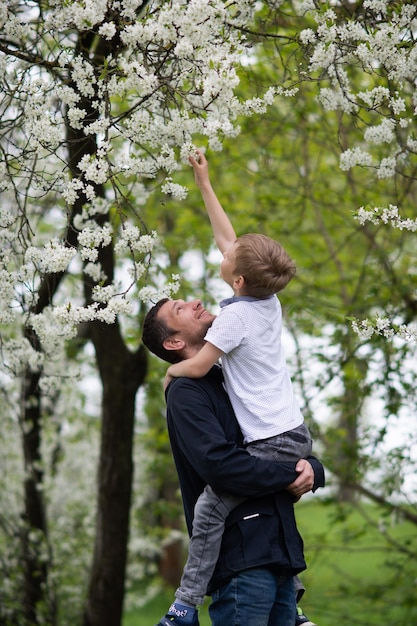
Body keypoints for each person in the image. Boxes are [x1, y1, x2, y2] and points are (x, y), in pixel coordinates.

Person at [158, 149, 314, 624]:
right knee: (256, 499)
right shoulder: (266, 304)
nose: (221, 253)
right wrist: (205, 184)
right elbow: (228, 240)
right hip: (294, 433)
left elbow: (200, 365)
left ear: (239, 278)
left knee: (209, 512)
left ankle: (185, 603)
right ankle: (296, 596)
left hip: (271, 441)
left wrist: (170, 373)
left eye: (227, 259)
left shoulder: (231, 322)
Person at [142, 297, 324, 626]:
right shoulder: (187, 392)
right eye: (180, 309)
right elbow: (221, 465)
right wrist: (288, 476)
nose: (195, 301)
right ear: (174, 342)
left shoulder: (232, 375)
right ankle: (183, 608)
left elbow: (277, 439)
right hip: (241, 560)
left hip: (280, 553)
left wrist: (314, 468)